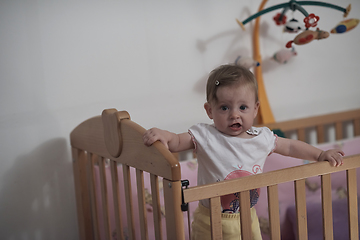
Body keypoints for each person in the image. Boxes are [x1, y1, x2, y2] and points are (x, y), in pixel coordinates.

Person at [143, 64, 344, 240]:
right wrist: (164, 135)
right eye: (224, 108)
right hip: (210, 218)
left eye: (243, 107)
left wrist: (319, 155)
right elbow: (177, 141)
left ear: (255, 109)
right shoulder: (205, 135)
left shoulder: (261, 137)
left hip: (248, 216)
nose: (234, 115)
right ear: (209, 110)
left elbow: (290, 146)